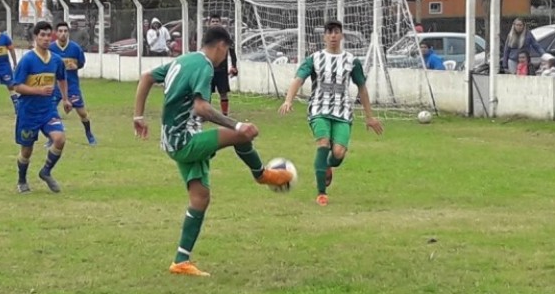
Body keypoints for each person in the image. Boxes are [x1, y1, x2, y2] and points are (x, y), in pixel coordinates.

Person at [133, 26, 294, 277]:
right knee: (242, 134)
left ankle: (180, 261)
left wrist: (138, 116)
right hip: (185, 140)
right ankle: (262, 175)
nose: (224, 57)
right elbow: (201, 107)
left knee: (200, 198)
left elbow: (146, 77)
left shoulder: (183, 59)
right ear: (222, 46)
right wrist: (237, 124)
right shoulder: (205, 65)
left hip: (172, 141)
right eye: (227, 51)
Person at [278, 20, 384, 206]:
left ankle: (328, 165)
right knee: (323, 143)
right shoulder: (315, 58)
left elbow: (362, 88)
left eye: (336, 32)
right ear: (324, 37)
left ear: (341, 35)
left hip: (342, 111)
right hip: (319, 109)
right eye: (329, 32)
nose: (333, 35)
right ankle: (321, 193)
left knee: (338, 153)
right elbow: (298, 80)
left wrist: (369, 117)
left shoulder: (351, 61)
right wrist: (288, 100)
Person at [13, 21, 72, 194]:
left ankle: (45, 171)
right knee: (26, 150)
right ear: (35, 37)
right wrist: (38, 90)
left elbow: (62, 79)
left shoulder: (56, 60)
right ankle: (22, 180)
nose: (46, 39)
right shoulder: (27, 60)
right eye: (42, 35)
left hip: (48, 110)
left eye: (48, 35)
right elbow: (17, 86)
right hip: (28, 112)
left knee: (60, 139)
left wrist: (66, 99)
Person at [49, 21, 97, 145]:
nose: (63, 34)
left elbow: (81, 63)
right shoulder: (51, 49)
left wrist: (75, 65)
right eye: (60, 31)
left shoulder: (75, 48)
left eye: (65, 31)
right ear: (56, 33)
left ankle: (89, 134)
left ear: (68, 33)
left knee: (82, 112)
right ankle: (51, 137)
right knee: (50, 111)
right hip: (55, 86)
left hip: (72, 85)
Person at [208, 14, 238, 116]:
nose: (215, 23)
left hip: (222, 69)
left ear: (221, 23)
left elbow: (232, 52)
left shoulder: (226, 37)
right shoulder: (207, 37)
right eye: (213, 21)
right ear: (209, 24)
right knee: (206, 93)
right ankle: (206, 113)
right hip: (209, 69)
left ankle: (225, 114)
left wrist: (234, 66)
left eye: (217, 21)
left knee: (223, 93)